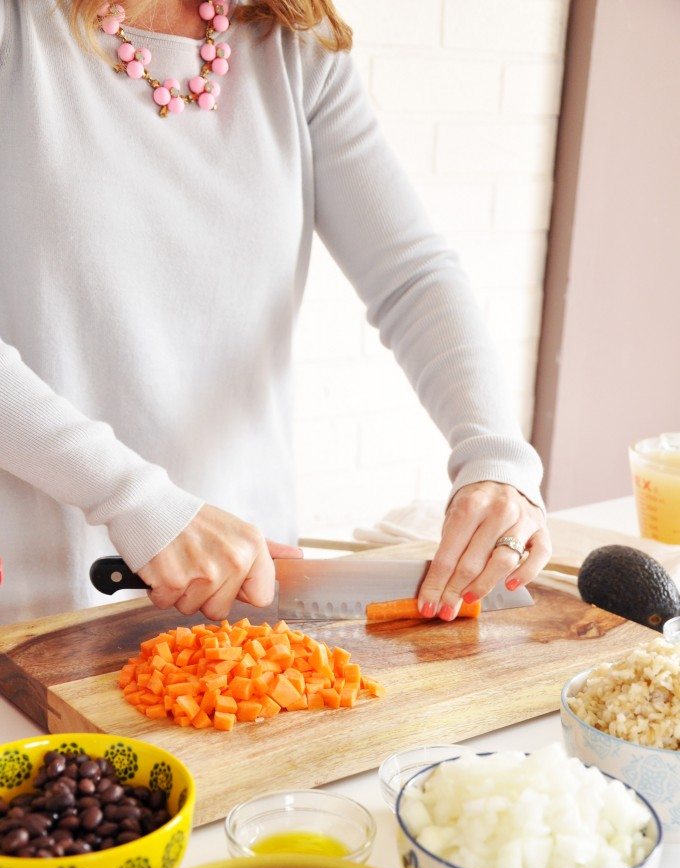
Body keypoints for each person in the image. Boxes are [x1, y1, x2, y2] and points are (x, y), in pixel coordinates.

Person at [0, 0, 551, 628]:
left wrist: (498, 458)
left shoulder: (293, 41)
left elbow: (411, 275)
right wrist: (136, 499)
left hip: (249, 585)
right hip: (38, 593)